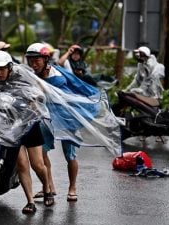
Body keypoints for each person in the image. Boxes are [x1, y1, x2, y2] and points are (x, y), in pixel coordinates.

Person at [24, 43, 122, 202]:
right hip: (46, 117)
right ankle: (48, 186)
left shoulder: (56, 76)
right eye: (31, 61)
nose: (34, 64)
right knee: (41, 152)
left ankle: (72, 187)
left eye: (37, 60)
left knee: (70, 155)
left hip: (66, 118)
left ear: (45, 60)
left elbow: (44, 91)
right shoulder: (34, 74)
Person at [0, 50, 54, 214]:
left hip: (29, 123)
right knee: (22, 164)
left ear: (9, 67)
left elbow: (39, 92)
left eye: (2, 69)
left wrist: (33, 100)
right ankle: (30, 201)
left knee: (37, 165)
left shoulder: (22, 76)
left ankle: (47, 188)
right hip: (9, 127)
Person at [112, 46, 164, 116]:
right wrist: (127, 89)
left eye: (140, 54)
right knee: (126, 96)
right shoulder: (140, 64)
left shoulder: (153, 65)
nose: (137, 55)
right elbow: (136, 80)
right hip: (144, 91)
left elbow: (148, 80)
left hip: (153, 94)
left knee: (133, 93)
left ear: (144, 54)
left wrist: (140, 90)